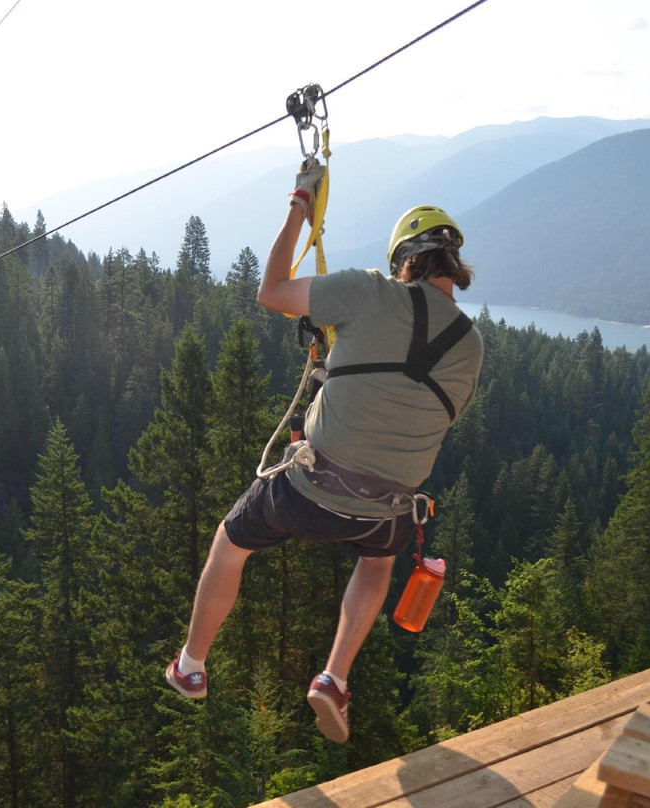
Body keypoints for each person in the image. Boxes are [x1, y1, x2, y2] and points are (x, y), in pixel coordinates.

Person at [164, 162, 484, 743]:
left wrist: (299, 207)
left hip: (309, 490)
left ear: (404, 261)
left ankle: (190, 666)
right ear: (451, 269)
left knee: (230, 543)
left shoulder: (368, 291)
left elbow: (272, 292)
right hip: (390, 511)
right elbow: (435, 412)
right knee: (377, 562)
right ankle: (334, 679)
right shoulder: (472, 344)